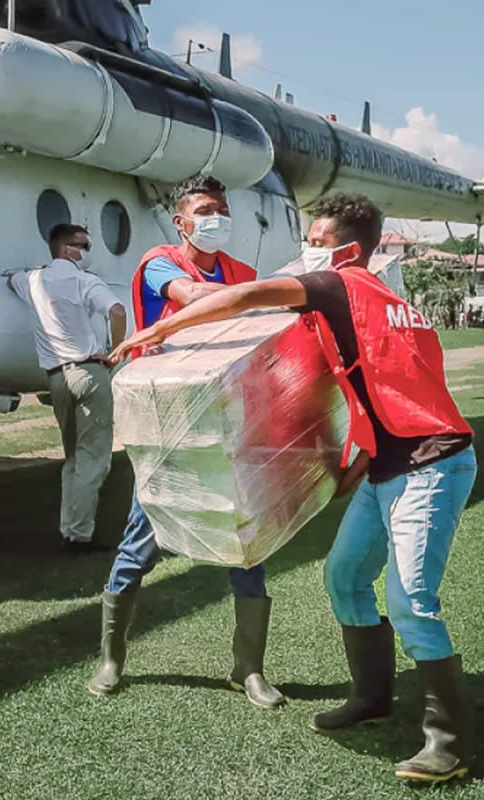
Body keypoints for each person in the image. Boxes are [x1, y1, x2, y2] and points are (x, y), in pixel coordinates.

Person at [110, 193, 477, 784]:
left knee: (412, 601)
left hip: (430, 464)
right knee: (345, 577)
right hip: (390, 463)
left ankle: (448, 743)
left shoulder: (341, 285)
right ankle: (372, 697)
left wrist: (156, 330)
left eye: (316, 240)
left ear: (348, 249)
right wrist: (355, 463)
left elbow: (248, 296)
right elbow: (389, 386)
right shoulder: (389, 300)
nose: (306, 251)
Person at [88, 176, 285, 710]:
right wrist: (263, 294)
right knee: (139, 541)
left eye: (222, 209)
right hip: (166, 425)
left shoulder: (242, 273)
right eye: (204, 210)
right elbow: (195, 297)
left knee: (245, 543)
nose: (215, 217)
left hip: (227, 424)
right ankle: (112, 656)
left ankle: (249, 669)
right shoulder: (160, 262)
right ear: (182, 221)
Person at [8, 223, 127, 553]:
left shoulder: (32, 281)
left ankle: (70, 529)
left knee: (73, 456)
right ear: (66, 249)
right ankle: (80, 534)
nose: (86, 253)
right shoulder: (84, 281)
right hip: (89, 371)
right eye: (83, 246)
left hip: (57, 378)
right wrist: (116, 351)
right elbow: (117, 310)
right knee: (95, 457)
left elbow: (10, 280)